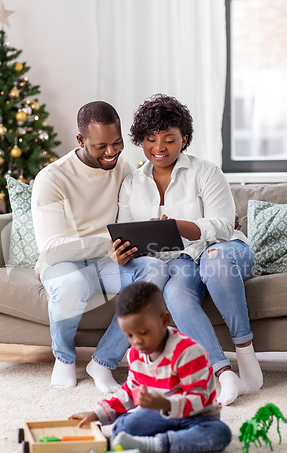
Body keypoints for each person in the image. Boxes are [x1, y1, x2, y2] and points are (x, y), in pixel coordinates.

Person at [116, 94, 263, 406]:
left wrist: (177, 225)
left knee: (214, 259)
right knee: (174, 294)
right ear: (140, 141)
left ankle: (248, 360)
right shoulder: (131, 184)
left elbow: (223, 226)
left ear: (185, 138)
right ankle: (223, 374)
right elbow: (126, 230)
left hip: (226, 250)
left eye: (169, 139)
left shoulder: (206, 172)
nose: (159, 147)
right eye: (150, 139)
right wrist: (124, 251)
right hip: (180, 262)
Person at [31, 101, 169, 392]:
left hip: (108, 262)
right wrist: (108, 243)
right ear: (81, 140)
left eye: (117, 143)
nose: (111, 153)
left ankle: (103, 362)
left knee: (155, 270)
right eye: (101, 146)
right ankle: (64, 358)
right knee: (69, 284)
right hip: (64, 263)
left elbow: (134, 216)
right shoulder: (52, 178)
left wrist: (149, 228)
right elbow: (52, 248)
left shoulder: (123, 167)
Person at [70, 282, 232, 453]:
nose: (136, 341)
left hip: (196, 417)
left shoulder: (189, 352)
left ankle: (153, 444)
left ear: (164, 320)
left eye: (143, 332)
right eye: (130, 335)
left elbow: (199, 399)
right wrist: (96, 414)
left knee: (219, 434)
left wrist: (165, 403)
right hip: (158, 414)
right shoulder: (135, 353)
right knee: (121, 427)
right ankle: (174, 437)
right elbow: (129, 391)